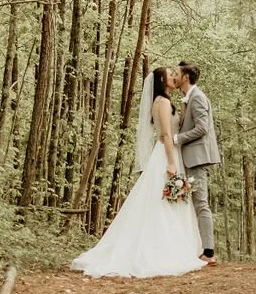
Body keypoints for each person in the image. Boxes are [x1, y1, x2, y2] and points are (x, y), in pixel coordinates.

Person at [71, 66, 204, 279]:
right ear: (161, 82)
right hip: (166, 155)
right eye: (170, 75)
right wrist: (171, 164)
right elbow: (167, 135)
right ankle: (162, 251)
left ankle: (174, 246)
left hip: (171, 153)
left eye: (174, 74)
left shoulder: (167, 101)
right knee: (162, 201)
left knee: (171, 200)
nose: (173, 77)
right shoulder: (161, 102)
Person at [174, 60, 221, 264]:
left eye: (177, 73)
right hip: (188, 158)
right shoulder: (188, 98)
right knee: (191, 203)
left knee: (201, 203)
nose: (174, 76)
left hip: (197, 158)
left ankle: (209, 252)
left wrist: (178, 139)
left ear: (186, 77)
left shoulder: (198, 98)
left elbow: (202, 128)